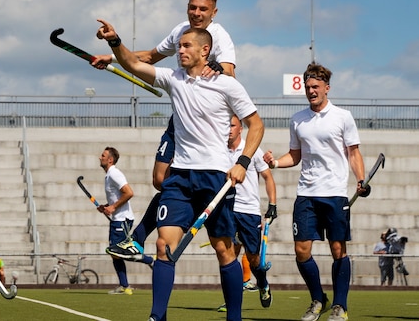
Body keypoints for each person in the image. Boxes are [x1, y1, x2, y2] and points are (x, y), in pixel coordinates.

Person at [96, 20, 264, 321]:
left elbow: (257, 124)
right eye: (179, 46)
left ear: (205, 50)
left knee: (224, 250)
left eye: (186, 46)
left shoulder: (227, 84)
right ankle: (157, 317)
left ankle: (234, 318)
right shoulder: (173, 79)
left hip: (215, 178)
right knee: (163, 246)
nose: (180, 51)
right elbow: (133, 63)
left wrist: (243, 162)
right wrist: (115, 42)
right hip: (180, 179)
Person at [102, 0, 235, 264]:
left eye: (203, 9)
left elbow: (230, 71)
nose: (196, 13)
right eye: (192, 7)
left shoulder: (220, 37)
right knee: (160, 179)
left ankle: (141, 234)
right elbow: (149, 57)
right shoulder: (180, 32)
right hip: (181, 120)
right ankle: (140, 237)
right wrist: (113, 57)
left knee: (220, 244)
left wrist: (217, 68)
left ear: (214, 12)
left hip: (207, 124)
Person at [263, 62, 369, 321]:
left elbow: (353, 153)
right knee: (301, 251)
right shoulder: (298, 119)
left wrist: (361, 179)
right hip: (306, 194)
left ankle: (340, 306)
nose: (311, 91)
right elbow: (295, 156)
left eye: (316, 87)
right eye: (308, 87)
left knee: (337, 249)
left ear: (326, 88)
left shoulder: (343, 117)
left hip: (334, 193)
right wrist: (275, 162)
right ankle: (318, 298)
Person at [218, 115, 277, 310]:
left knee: (253, 260)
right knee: (228, 257)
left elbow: (267, 177)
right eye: (226, 126)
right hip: (227, 210)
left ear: (241, 128)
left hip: (249, 212)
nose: (229, 129)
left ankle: (262, 282)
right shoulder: (218, 150)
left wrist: (273, 205)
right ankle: (232, 300)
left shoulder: (251, 149)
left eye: (232, 126)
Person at [98, 146, 135, 295]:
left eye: (103, 155)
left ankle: (149, 261)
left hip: (122, 219)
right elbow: (117, 196)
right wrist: (106, 206)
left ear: (110, 159)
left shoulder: (114, 174)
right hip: (117, 219)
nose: (100, 157)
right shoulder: (109, 175)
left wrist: (112, 207)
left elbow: (129, 193)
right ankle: (124, 285)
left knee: (117, 252)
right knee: (115, 252)